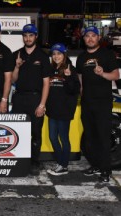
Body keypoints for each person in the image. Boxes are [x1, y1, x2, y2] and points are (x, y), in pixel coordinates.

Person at [76, 26, 120, 182]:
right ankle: (94, 165)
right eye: (87, 36)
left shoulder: (107, 54)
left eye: (93, 35)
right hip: (87, 103)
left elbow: (116, 75)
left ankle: (105, 171)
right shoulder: (81, 57)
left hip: (103, 103)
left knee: (102, 137)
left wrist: (103, 74)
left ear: (98, 37)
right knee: (89, 137)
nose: (90, 38)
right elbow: (80, 79)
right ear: (84, 39)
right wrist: (81, 95)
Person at [11, 24, 52, 175]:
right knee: (17, 131)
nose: (28, 38)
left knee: (36, 132)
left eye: (31, 35)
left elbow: (46, 83)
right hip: (19, 98)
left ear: (36, 37)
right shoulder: (17, 54)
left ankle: (35, 162)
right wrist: (16, 66)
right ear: (23, 37)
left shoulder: (42, 56)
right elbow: (12, 80)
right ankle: (18, 160)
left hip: (36, 98)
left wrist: (42, 104)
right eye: (25, 35)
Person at [45, 43, 80, 176]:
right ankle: (61, 163)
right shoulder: (50, 69)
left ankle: (63, 165)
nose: (56, 56)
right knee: (53, 137)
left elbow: (75, 90)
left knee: (63, 138)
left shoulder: (71, 69)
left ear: (64, 55)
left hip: (64, 110)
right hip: (53, 110)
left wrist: (69, 77)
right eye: (54, 54)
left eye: (59, 54)